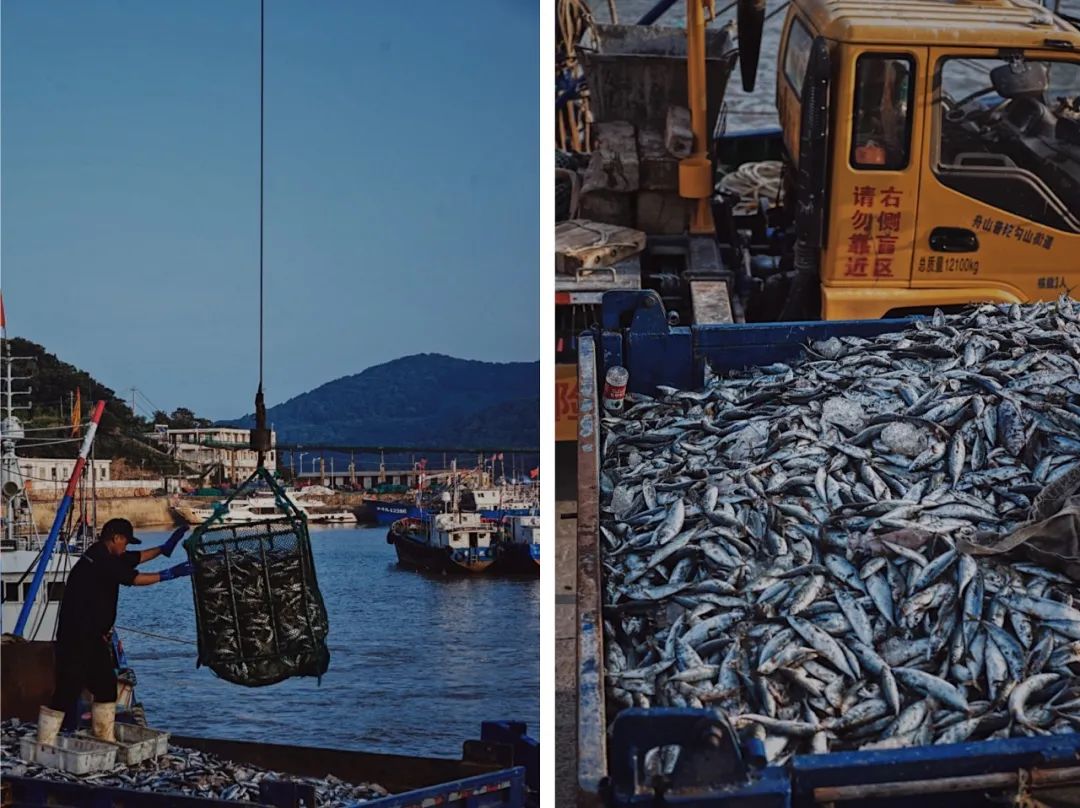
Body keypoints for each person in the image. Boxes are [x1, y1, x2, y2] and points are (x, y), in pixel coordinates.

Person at [37, 518, 193, 746]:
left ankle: (103, 737)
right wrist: (169, 574)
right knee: (66, 691)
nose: (126, 548)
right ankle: (45, 742)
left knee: (106, 688)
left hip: (94, 639)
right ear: (116, 538)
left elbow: (135, 558)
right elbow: (135, 578)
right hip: (76, 639)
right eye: (125, 543)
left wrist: (164, 549)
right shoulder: (100, 560)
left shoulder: (108, 555)